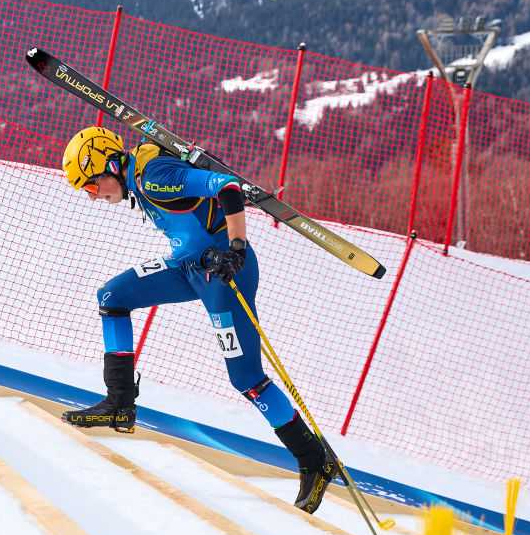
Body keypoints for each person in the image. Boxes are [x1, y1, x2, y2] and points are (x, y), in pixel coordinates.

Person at [59, 126, 335, 513]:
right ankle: (120, 403)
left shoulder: (154, 177)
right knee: (112, 296)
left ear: (107, 164)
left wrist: (236, 247)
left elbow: (228, 188)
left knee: (246, 379)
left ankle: (314, 459)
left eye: (91, 187)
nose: (95, 197)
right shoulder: (139, 178)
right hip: (189, 266)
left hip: (223, 275)